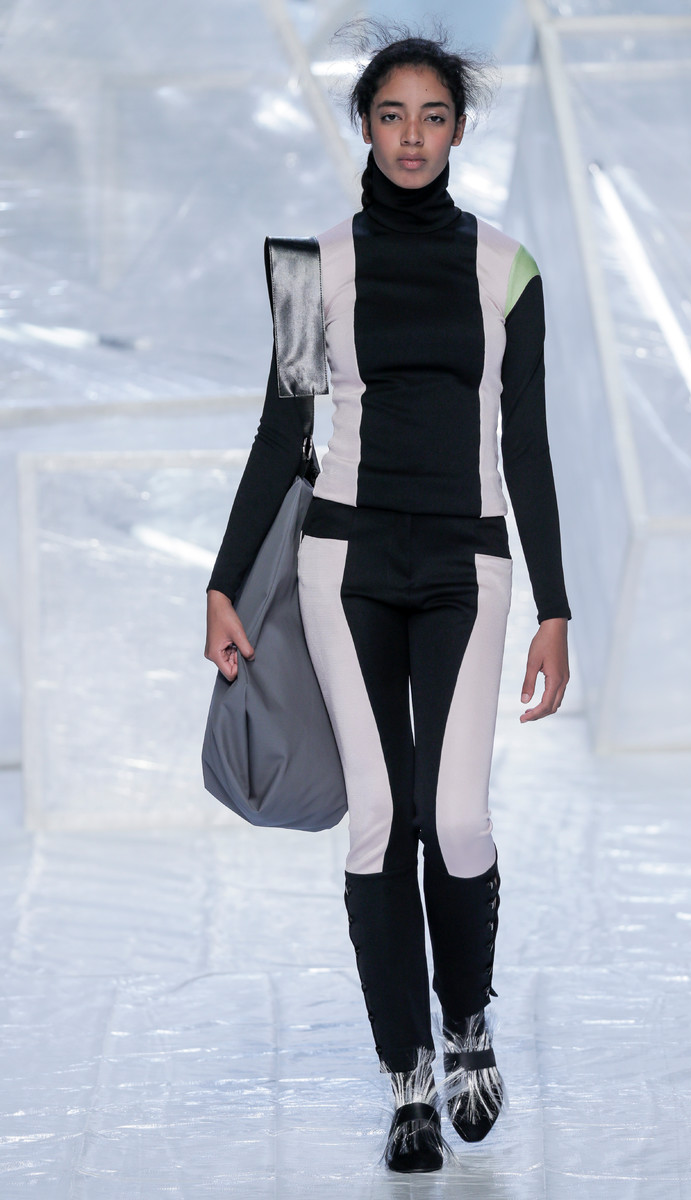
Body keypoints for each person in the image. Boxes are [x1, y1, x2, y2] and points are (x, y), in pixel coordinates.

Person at [204, 24, 570, 1175]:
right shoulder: (310, 269)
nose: (412, 136)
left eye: (433, 116)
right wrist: (223, 581)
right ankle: (407, 1074)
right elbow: (281, 433)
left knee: (454, 820)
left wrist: (555, 608)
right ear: (364, 125)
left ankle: (466, 1024)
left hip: (468, 564)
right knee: (381, 821)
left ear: (458, 130)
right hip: (345, 566)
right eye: (391, 115)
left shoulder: (508, 270)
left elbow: (528, 446)